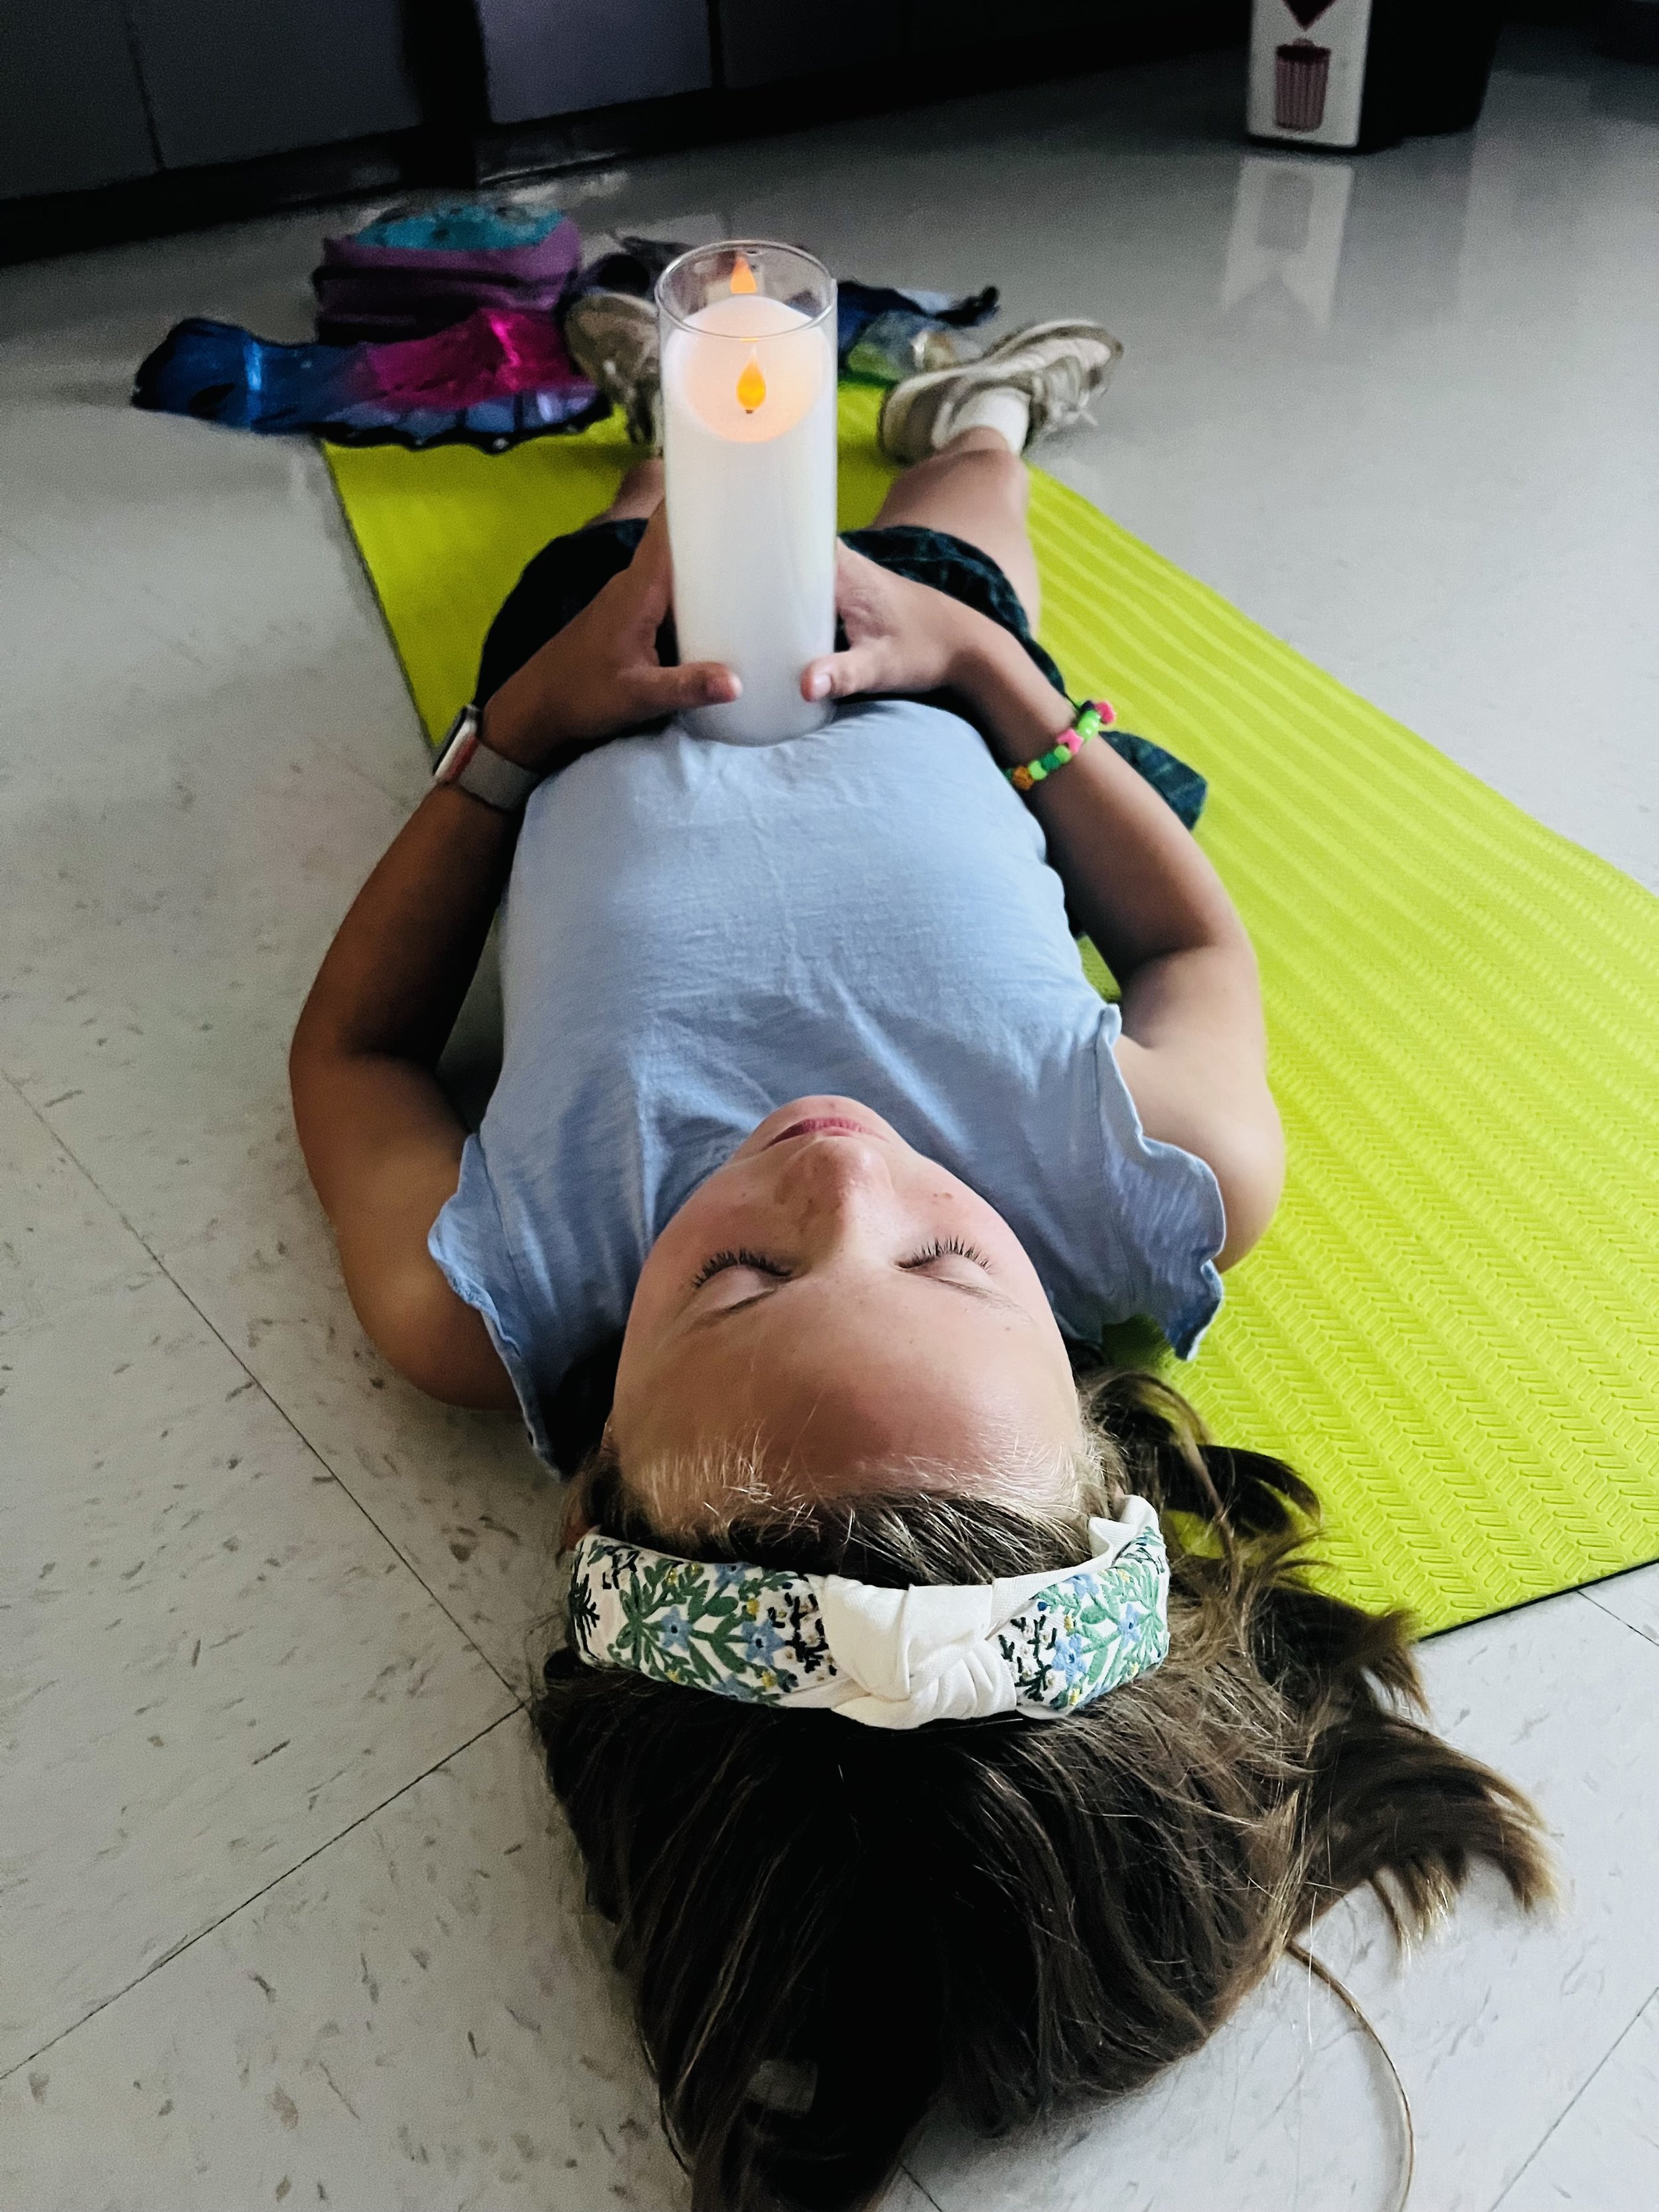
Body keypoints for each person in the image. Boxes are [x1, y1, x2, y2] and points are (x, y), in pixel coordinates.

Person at [291, 323, 1550, 2212]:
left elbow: (354, 1060)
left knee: (653, 509)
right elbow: (1196, 962)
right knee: (964, 506)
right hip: (936, 673)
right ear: (1098, 1428)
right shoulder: (1151, 1182)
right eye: (946, 1260)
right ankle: (977, 407)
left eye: (736, 1281)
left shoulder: (487, 1291)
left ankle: (652, 418)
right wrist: (988, 676)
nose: (838, 1169)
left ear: (592, 1489)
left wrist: (520, 737)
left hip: (593, 684)